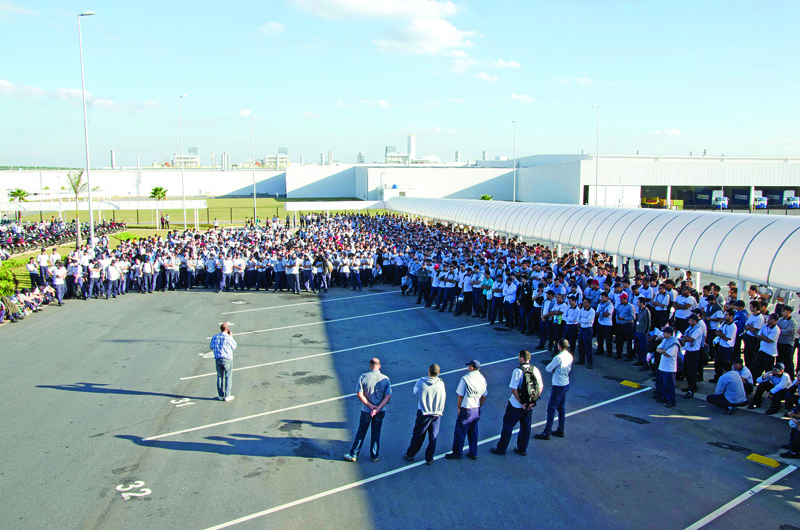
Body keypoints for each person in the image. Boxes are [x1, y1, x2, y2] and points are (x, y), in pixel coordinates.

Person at [491, 350, 543, 455]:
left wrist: (522, 402)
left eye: (519, 357)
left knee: (508, 426)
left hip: (516, 405)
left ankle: (501, 449)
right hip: (530, 406)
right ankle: (522, 449)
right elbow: (540, 387)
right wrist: (532, 402)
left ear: (522, 358)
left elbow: (514, 390)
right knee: (526, 427)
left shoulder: (517, 371)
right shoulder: (535, 369)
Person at [344, 358, 392, 462]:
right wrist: (377, 408)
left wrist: (370, 406)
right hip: (380, 411)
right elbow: (387, 396)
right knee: (376, 432)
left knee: (361, 432)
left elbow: (359, 394)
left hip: (366, 410)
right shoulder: (385, 379)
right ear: (379, 366)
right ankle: (374, 455)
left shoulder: (363, 377)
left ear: (370, 366)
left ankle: (354, 454)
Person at [403, 364, 446, 465]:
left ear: (428, 371)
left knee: (418, 434)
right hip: (436, 414)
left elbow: (415, 392)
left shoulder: (421, 381)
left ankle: (410, 454)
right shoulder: (441, 383)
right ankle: (429, 457)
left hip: (424, 412)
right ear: (438, 373)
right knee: (433, 436)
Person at [445, 360, 488, 460]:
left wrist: (459, 408)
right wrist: (479, 406)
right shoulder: (483, 379)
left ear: (471, 368)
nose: (467, 368)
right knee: (473, 432)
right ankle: (473, 452)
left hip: (467, 409)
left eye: (468, 366)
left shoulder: (465, 378)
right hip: (476, 409)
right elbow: (484, 395)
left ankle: (457, 453)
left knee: (460, 431)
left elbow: (460, 395)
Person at [535, 339, 573, 440]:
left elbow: (548, 368)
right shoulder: (569, 356)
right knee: (561, 407)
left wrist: (554, 368)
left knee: (551, 408)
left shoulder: (558, 357)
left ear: (559, 346)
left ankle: (546, 432)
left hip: (558, 384)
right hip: (565, 383)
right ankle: (561, 429)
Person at [209, 323, 237, 401]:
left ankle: (220, 395)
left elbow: (211, 347)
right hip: (227, 359)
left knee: (219, 376)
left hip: (218, 359)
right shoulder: (228, 337)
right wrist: (231, 336)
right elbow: (234, 346)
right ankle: (227, 395)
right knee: (228, 376)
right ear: (227, 329)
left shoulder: (214, 337)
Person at [653, 327, 680, 408]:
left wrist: (663, 351)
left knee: (669, 385)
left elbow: (668, 354)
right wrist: (664, 350)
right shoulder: (665, 340)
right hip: (662, 367)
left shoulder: (674, 343)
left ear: (669, 333)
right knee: (662, 384)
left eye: (665, 332)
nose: (663, 334)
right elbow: (658, 349)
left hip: (669, 368)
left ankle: (671, 401)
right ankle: (664, 397)